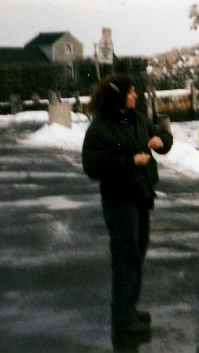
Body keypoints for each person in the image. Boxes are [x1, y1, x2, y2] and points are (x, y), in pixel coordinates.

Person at [81, 73, 173, 341]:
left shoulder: (137, 119)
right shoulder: (100, 128)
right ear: (118, 96)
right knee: (125, 258)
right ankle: (123, 320)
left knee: (137, 255)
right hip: (119, 201)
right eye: (130, 91)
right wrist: (130, 162)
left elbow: (164, 136)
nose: (135, 95)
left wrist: (161, 142)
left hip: (141, 196)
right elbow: (92, 165)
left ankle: (129, 309)